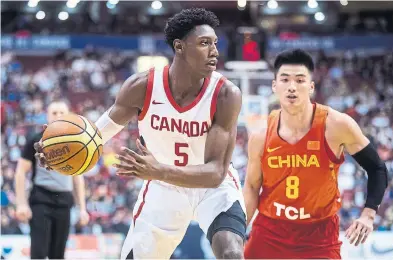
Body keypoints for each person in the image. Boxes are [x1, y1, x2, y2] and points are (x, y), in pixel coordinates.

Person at [35, 8, 246, 259]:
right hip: (163, 188)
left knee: (231, 253)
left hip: (211, 188)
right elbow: (98, 134)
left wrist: (158, 170)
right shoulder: (142, 86)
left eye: (215, 43)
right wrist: (57, 152)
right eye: (204, 43)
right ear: (179, 46)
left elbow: (214, 173)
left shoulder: (225, 94)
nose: (215, 52)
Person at [243, 49, 389, 259]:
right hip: (269, 232)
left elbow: (377, 168)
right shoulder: (261, 134)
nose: (292, 86)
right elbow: (251, 186)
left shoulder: (337, 125)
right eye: (285, 80)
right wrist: (238, 230)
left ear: (311, 86)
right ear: (275, 86)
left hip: (319, 235)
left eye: (300, 80)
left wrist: (368, 215)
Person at [15, 100, 89, 259]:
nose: (58, 116)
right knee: (39, 253)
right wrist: (21, 203)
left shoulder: (75, 142)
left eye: (62, 112)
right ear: (47, 116)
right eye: (54, 113)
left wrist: (82, 208)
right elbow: (20, 172)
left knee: (58, 255)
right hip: (41, 199)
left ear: (68, 115)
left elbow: (78, 177)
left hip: (64, 201)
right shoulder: (36, 140)